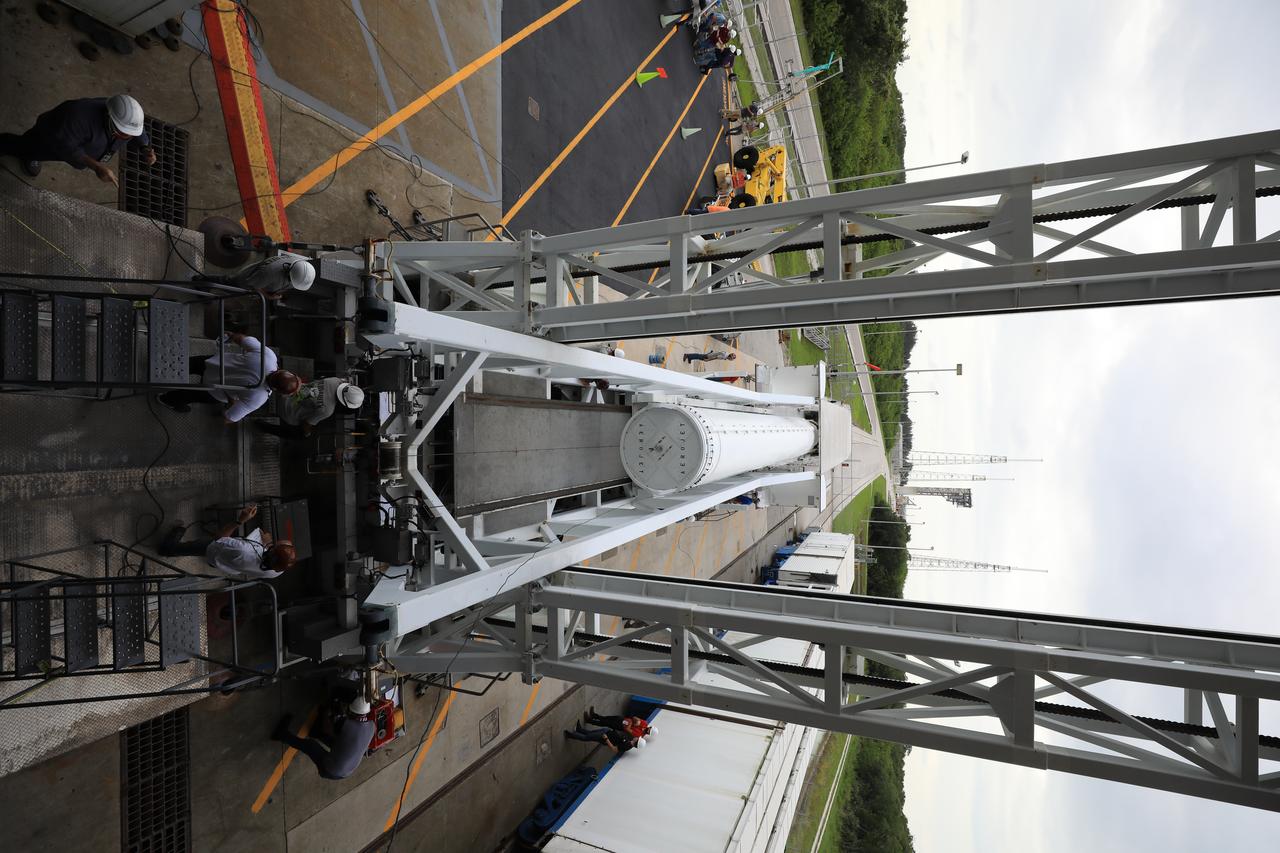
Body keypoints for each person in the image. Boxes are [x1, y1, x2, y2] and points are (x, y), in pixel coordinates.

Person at [0, 94, 155, 182]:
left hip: (79, 142)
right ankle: (13, 148)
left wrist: (145, 147)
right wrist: (96, 166)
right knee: (29, 147)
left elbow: (138, 132)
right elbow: (68, 148)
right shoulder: (75, 117)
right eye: (124, 132)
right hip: (51, 136)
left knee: (36, 151)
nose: (127, 137)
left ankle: (30, 154)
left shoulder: (123, 119)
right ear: (109, 117)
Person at [156, 331, 300, 423]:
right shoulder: (258, 398)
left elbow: (240, 338)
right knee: (190, 394)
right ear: (278, 391)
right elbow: (229, 418)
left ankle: (161, 367)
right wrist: (232, 401)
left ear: (282, 370)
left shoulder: (268, 357)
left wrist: (230, 337)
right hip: (213, 390)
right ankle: (166, 398)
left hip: (213, 363)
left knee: (186, 364)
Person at [159, 504, 296, 580]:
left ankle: (168, 548)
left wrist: (240, 520)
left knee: (194, 546)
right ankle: (172, 548)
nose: (278, 541)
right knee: (197, 548)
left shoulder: (242, 549)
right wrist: (268, 544)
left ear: (270, 553)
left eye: (276, 545)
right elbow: (285, 546)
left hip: (215, 550)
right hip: (228, 564)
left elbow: (219, 538)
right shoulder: (277, 570)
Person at [272, 696, 376, 780]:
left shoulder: (346, 725)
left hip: (331, 770)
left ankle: (281, 735)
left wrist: (325, 712)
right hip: (346, 771)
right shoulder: (372, 726)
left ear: (352, 711)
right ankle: (315, 732)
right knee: (340, 740)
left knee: (310, 745)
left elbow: (327, 729)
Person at [256, 377, 364, 440]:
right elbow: (307, 424)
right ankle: (263, 426)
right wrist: (308, 433)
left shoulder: (335, 380)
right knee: (301, 435)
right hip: (286, 410)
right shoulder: (327, 410)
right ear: (345, 404)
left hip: (287, 392)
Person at [564, 722, 644, 755]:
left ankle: (570, 735)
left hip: (604, 737)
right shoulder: (629, 741)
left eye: (638, 739)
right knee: (591, 733)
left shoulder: (626, 746)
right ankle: (579, 730)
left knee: (587, 737)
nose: (637, 737)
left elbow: (614, 749)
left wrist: (606, 739)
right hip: (608, 732)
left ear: (637, 742)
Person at [585, 708, 657, 741]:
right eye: (650, 728)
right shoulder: (645, 723)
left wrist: (632, 723)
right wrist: (636, 720)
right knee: (607, 718)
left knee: (605, 723)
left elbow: (627, 729)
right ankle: (594, 715)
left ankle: (589, 720)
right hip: (624, 720)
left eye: (649, 731)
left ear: (648, 733)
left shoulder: (639, 734)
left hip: (621, 726)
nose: (648, 729)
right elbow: (635, 718)